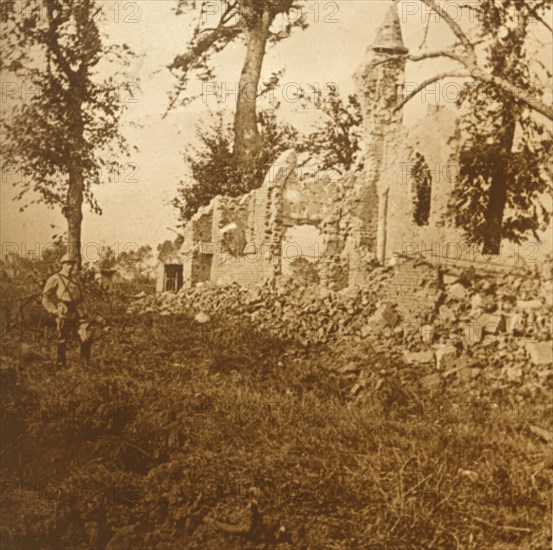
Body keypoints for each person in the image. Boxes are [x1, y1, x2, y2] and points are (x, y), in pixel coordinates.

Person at [42, 253, 92, 367]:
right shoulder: (56, 278)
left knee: (86, 336)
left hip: (78, 310)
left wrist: (86, 310)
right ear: (62, 264)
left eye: (72, 264)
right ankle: (60, 364)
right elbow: (45, 297)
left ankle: (84, 364)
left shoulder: (76, 279)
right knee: (62, 338)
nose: (71, 266)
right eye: (68, 264)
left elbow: (82, 296)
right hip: (64, 310)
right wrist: (53, 310)